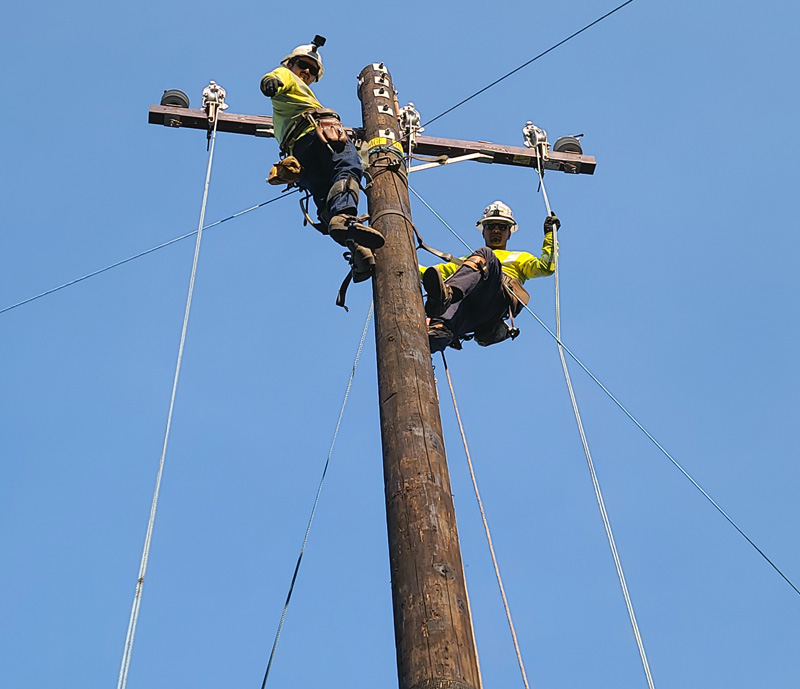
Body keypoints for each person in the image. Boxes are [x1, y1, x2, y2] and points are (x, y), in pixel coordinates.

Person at [260, 36, 382, 279]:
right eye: (301, 65)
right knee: (348, 167)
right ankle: (346, 217)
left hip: (302, 157)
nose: (306, 71)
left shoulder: (293, 100)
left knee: (326, 199)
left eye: (312, 69)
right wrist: (271, 83)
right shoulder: (288, 79)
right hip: (319, 137)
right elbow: (273, 78)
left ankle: (359, 251)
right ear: (290, 65)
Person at [421, 201, 559, 353]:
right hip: (468, 314)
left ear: (509, 233)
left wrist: (550, 235)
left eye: (502, 227)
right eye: (491, 226)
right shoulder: (468, 262)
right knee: (437, 330)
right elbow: (430, 274)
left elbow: (546, 268)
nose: (496, 231)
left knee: (486, 255)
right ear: (483, 231)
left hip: (494, 303)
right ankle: (438, 332)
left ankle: (448, 297)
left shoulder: (519, 258)